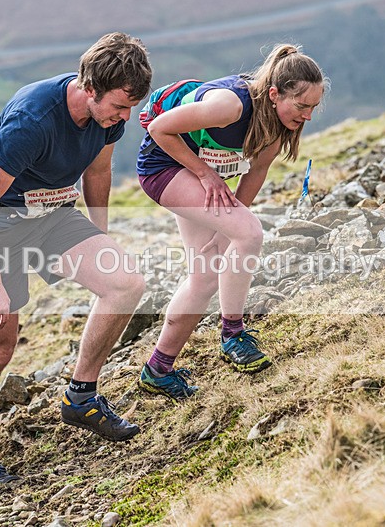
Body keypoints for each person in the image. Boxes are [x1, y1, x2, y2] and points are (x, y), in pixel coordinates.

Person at [0, 32, 151, 495]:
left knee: (125, 282)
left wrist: (98, 238)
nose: (124, 119)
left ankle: (81, 397)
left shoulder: (110, 115)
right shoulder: (33, 120)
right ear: (89, 87)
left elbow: (98, 172)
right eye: (120, 108)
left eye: (130, 110)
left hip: (51, 212)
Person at [135, 45, 327, 400]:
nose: (309, 116)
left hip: (194, 171)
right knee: (251, 231)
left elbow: (256, 172)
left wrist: (228, 229)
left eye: (314, 107)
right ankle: (232, 336)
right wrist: (205, 175)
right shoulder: (230, 105)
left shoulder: (279, 123)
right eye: (302, 106)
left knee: (206, 273)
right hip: (164, 167)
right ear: (274, 94)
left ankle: (158, 369)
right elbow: (160, 129)